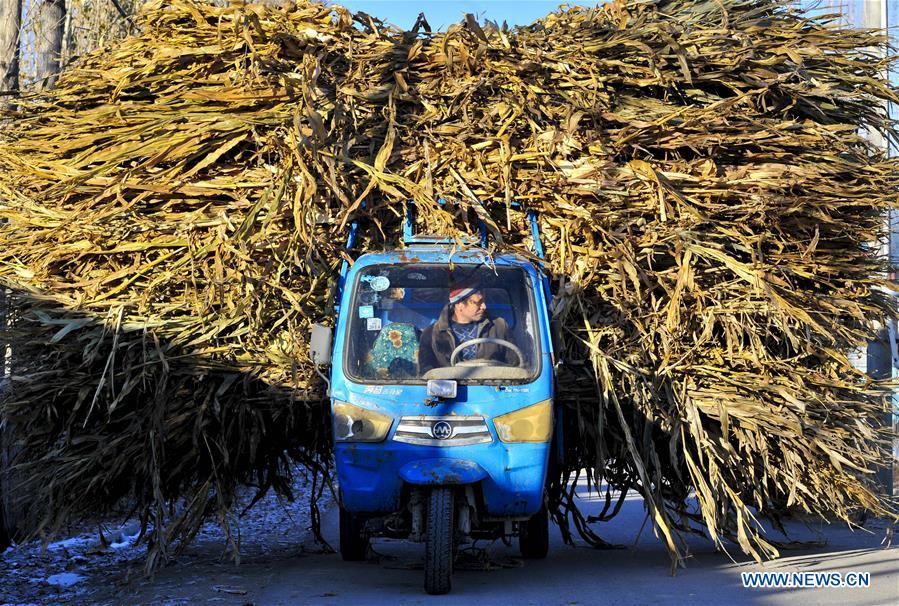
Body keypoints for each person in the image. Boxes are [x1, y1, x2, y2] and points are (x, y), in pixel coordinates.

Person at [419, 286, 518, 373]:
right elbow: (426, 373)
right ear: (459, 305)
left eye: (483, 301)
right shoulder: (432, 334)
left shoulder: (499, 326)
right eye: (478, 302)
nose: (484, 306)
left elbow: (517, 364)